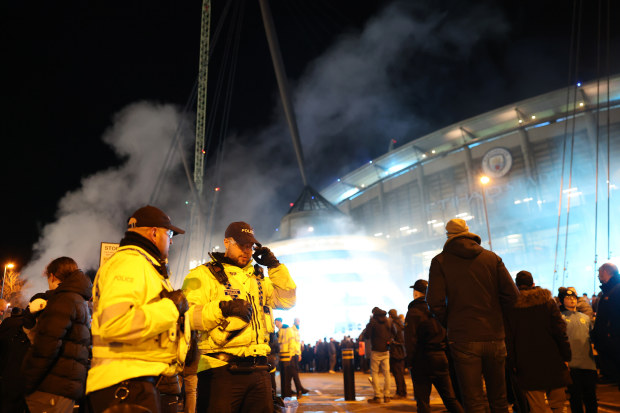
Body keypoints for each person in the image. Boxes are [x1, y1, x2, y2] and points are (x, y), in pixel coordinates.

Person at [182, 221, 296, 413]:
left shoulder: (259, 278)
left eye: (250, 246)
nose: (247, 251)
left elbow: (287, 300)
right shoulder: (202, 275)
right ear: (227, 242)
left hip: (259, 371)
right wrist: (222, 309)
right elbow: (187, 318)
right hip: (220, 372)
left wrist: (275, 266)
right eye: (241, 245)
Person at [86, 205, 189, 413]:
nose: (171, 240)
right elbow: (114, 324)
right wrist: (171, 308)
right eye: (169, 234)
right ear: (153, 233)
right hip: (125, 385)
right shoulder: (130, 263)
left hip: (131, 382)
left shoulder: (141, 264)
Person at [427, 218, 519, 413]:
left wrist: (451, 322)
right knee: (499, 400)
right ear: (468, 232)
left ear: (448, 236)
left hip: (463, 338)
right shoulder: (492, 258)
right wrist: (499, 321)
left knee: (474, 401)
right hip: (494, 336)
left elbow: (434, 302)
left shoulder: (440, 262)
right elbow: (512, 296)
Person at [21, 257, 92, 413]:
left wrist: (27, 383)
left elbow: (46, 347)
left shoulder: (63, 300)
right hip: (65, 385)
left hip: (51, 386)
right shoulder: (79, 300)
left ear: (52, 276)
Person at [506, 271, 571, 413]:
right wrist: (566, 356)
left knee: (537, 407)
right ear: (533, 284)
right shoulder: (548, 302)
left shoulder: (512, 307)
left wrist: (512, 363)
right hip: (553, 360)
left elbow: (509, 338)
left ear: (516, 285)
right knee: (558, 405)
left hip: (527, 364)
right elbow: (560, 331)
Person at [405, 279, 464, 413]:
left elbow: (410, 341)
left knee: (423, 402)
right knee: (450, 398)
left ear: (416, 293)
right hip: (440, 357)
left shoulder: (414, 312)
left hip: (421, 359)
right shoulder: (438, 309)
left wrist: (410, 362)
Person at [560, 288, 597, 413]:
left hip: (589, 364)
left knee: (591, 397)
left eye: (574, 297)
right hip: (572, 365)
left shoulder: (586, 318)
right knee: (575, 398)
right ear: (562, 301)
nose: (572, 299)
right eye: (568, 297)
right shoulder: (560, 318)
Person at [591, 262, 620, 386]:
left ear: (605, 272)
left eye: (599, 273)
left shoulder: (615, 290)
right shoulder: (608, 290)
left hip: (613, 340)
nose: (598, 276)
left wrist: (608, 334)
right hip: (610, 339)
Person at [364, 306, 393, 404]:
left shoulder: (373, 322)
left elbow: (366, 335)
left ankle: (377, 396)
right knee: (387, 373)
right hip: (386, 350)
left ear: (374, 314)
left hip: (376, 350)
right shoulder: (388, 321)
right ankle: (387, 395)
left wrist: (369, 323)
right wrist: (388, 340)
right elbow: (395, 332)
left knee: (375, 373)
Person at [388, 309, 407, 399]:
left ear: (390, 316)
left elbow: (394, 338)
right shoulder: (401, 323)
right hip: (402, 351)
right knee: (400, 373)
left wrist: (391, 342)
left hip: (396, 351)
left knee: (397, 373)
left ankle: (400, 392)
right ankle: (403, 391)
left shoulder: (394, 324)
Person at [289, 318, 309, 397]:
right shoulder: (291, 330)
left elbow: (297, 344)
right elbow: (291, 343)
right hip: (292, 354)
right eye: (297, 321)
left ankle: (293, 389)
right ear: (294, 322)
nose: (298, 323)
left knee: (292, 372)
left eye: (299, 321)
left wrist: (299, 354)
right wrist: (290, 354)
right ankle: (299, 389)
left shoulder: (297, 331)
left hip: (296, 354)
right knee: (294, 372)